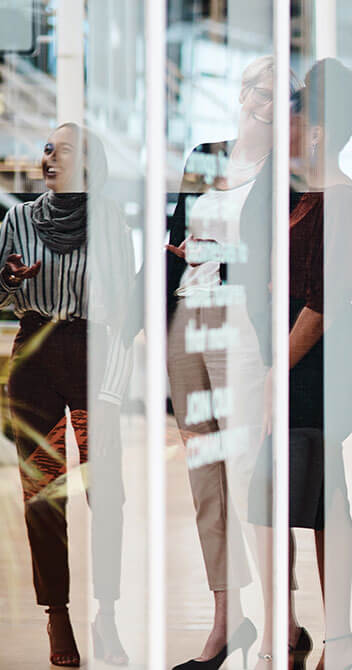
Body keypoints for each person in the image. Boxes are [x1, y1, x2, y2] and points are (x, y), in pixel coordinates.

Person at [165, 55, 298, 670]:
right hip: (187, 317)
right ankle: (226, 620)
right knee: (205, 479)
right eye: (256, 89)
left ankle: (283, 619)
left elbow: (287, 260)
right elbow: (175, 233)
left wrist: (225, 248)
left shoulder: (287, 173)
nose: (261, 102)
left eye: (276, 95)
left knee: (249, 472)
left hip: (243, 325)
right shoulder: (204, 155)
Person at [247, 56, 352, 670]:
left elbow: (321, 303)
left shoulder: (345, 198)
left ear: (316, 131)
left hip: (318, 361)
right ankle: (308, 631)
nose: (284, 130)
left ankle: (337, 635)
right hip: (290, 358)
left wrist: (276, 374)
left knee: (319, 498)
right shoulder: (289, 191)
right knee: (297, 498)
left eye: (295, 120)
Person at [1, 123, 134, 667]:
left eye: (65, 149)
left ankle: (107, 613)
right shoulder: (18, 220)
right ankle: (57, 615)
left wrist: (112, 390)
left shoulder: (109, 224)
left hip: (92, 352)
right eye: (47, 147)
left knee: (106, 495)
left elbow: (124, 314)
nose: (50, 156)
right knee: (44, 495)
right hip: (33, 351)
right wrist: (9, 280)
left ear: (88, 163)